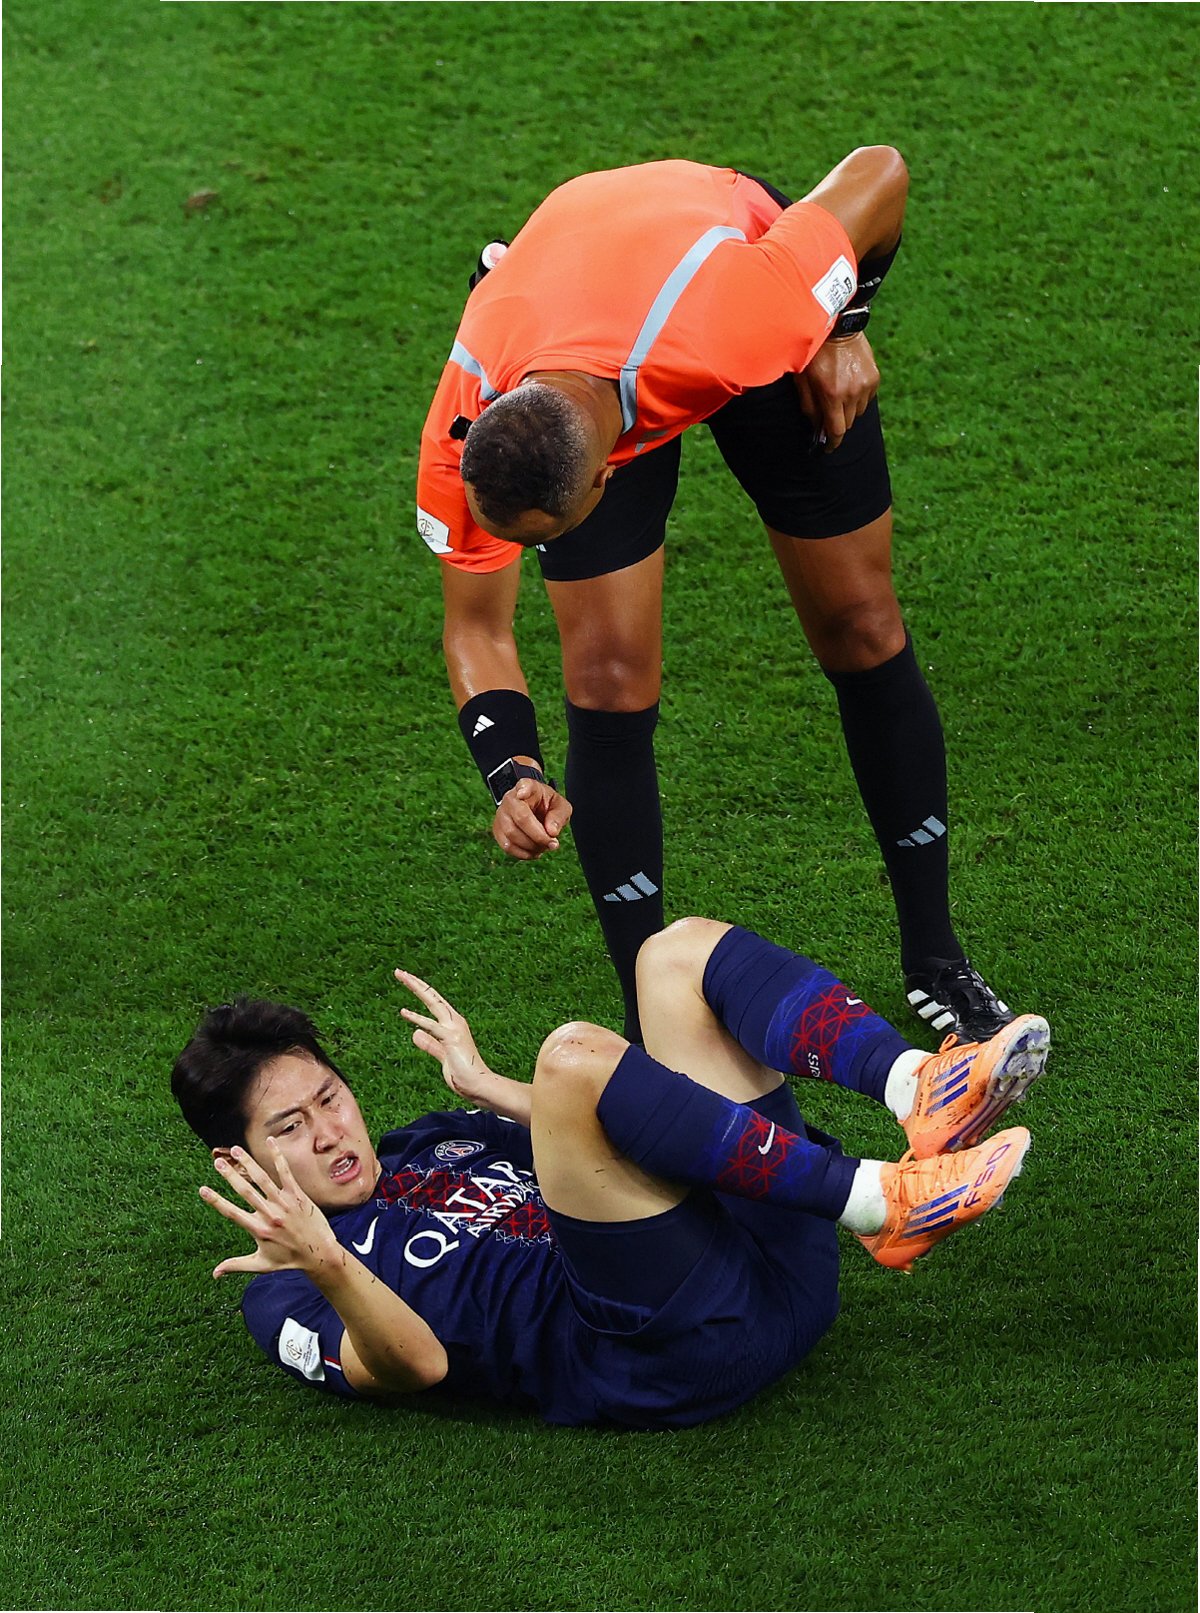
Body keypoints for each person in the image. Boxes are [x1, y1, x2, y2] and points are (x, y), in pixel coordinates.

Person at [416, 149, 1017, 1047]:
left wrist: (844, 327)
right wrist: (514, 771)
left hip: (709, 278)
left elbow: (881, 174)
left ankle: (937, 957)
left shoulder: (747, 315)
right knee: (607, 679)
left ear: (605, 479)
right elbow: (476, 628)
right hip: (569, 321)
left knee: (860, 624)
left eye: (543, 539)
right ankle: (651, 1021)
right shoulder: (466, 432)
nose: (535, 558)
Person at [173, 918, 1049, 1429]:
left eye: (329, 1097)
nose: (331, 1132)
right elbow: (417, 1367)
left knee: (673, 955)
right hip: (676, 1349)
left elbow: (612, 1127)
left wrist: (488, 1089)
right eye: (291, 1126)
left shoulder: (426, 1140)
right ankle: (880, 1202)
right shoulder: (282, 1293)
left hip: (775, 1265)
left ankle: (916, 1085)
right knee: (572, 1056)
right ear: (237, 1159)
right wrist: (327, 1260)